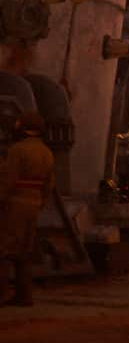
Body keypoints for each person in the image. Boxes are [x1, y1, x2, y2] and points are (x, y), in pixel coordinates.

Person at [1, 111, 54, 307]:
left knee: (4, 250)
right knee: (24, 252)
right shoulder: (47, 152)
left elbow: (8, 180)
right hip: (34, 205)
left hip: (15, 204)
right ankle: (24, 296)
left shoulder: (17, 150)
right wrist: (40, 202)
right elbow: (49, 185)